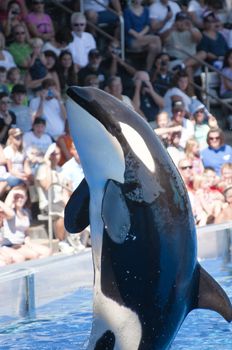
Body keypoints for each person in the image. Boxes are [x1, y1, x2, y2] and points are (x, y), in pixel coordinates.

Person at [35, 144, 74, 253]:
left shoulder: (60, 169)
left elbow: (68, 188)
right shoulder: (42, 169)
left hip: (60, 202)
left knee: (74, 209)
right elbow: (47, 185)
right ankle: (61, 241)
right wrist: (47, 164)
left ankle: (74, 240)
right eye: (52, 154)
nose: (55, 156)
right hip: (48, 204)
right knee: (62, 214)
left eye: (56, 153)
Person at [3, 185, 51, 259]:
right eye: (17, 196)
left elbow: (25, 231)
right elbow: (6, 207)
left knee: (47, 251)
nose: (19, 199)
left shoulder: (26, 212)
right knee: (34, 255)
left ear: (26, 198)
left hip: (23, 243)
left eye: (22, 197)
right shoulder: (10, 211)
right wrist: (13, 192)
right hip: (11, 244)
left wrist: (28, 242)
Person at [124, 0, 161, 72]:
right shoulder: (127, 11)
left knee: (153, 46)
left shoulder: (146, 10)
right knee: (156, 38)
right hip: (132, 39)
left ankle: (148, 70)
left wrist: (141, 35)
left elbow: (147, 25)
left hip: (143, 37)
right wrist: (137, 35)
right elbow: (127, 28)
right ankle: (160, 56)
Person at [0, 199, 25, 265]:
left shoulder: (3, 220)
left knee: (19, 258)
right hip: (3, 249)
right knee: (3, 263)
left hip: (3, 247)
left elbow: (11, 213)